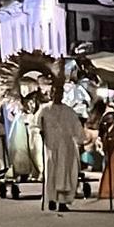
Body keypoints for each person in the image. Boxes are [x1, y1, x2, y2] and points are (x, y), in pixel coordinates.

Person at [36, 75, 83, 213]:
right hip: (51, 147)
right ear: (51, 93)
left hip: (66, 147)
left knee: (65, 173)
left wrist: (80, 140)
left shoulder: (69, 111)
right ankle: (51, 199)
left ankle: (62, 201)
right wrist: (40, 132)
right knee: (51, 172)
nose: (58, 95)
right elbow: (35, 125)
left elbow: (77, 127)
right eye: (55, 92)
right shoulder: (44, 110)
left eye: (60, 93)